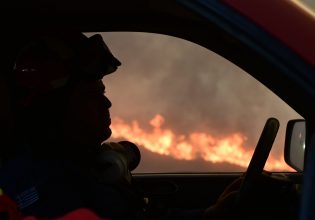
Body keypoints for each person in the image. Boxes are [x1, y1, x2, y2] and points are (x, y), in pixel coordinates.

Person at [0, 29, 240, 220]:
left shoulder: (80, 165)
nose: (107, 102)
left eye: (102, 91)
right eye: (91, 95)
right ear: (53, 110)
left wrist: (209, 215)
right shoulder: (44, 188)